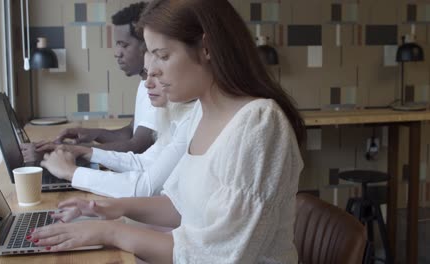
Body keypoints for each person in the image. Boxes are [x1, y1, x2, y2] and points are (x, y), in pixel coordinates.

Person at [28, 0, 305, 263]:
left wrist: (109, 232)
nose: (154, 72)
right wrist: (113, 209)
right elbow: (180, 206)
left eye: (163, 56)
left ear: (206, 48)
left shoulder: (259, 123)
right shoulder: (201, 112)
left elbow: (216, 255)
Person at [40, 52, 195, 198]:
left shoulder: (190, 120)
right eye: (147, 73)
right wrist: (85, 151)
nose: (147, 84)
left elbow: (145, 188)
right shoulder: (177, 114)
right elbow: (143, 162)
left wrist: (70, 172)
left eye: (157, 74)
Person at [21, 2, 156, 163]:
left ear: (148, 44)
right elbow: (129, 132)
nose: (117, 53)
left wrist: (65, 151)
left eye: (124, 45)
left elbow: (136, 146)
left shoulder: (157, 89)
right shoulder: (144, 83)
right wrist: (93, 133)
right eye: (117, 44)